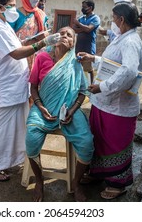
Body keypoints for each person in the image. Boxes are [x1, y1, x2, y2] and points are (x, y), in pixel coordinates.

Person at [0, 0, 60, 181]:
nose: (14, 9)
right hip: (4, 87)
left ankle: (6, 160)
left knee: (12, 128)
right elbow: (16, 53)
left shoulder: (3, 25)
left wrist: (35, 39)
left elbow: (18, 43)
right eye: (11, 5)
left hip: (12, 86)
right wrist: (42, 43)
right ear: (0, 7)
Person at [77, 1, 142, 200]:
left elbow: (129, 71)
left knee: (114, 144)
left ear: (121, 19)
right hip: (104, 103)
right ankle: (98, 173)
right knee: (98, 139)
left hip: (118, 106)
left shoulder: (131, 41)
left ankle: (117, 184)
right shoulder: (121, 37)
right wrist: (94, 58)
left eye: (114, 18)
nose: (112, 21)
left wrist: (102, 87)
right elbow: (112, 64)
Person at [25, 26, 94, 202]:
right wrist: (40, 107)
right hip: (44, 108)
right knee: (31, 138)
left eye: (69, 35)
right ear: (54, 37)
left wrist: (71, 111)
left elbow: (82, 91)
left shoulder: (75, 61)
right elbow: (33, 87)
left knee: (86, 144)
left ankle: (76, 183)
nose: (64, 36)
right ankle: (39, 181)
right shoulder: (42, 57)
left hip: (68, 111)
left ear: (72, 44)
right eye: (61, 33)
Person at [8, 0, 49, 70]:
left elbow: (46, 31)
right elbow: (8, 33)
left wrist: (44, 35)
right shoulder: (16, 14)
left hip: (35, 51)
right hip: (18, 52)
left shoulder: (41, 14)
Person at [73, 0, 100, 82]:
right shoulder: (82, 18)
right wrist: (84, 28)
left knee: (88, 68)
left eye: (84, 7)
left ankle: (90, 84)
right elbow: (74, 29)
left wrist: (79, 24)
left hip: (88, 47)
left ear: (90, 8)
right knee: (77, 66)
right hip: (79, 46)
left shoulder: (95, 18)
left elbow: (89, 29)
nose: (82, 9)